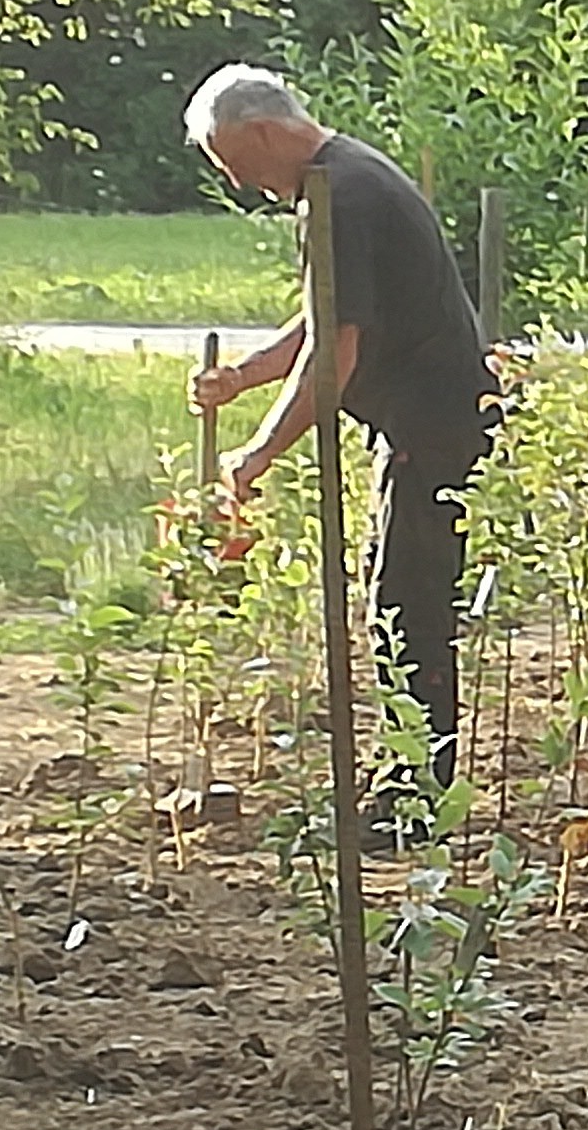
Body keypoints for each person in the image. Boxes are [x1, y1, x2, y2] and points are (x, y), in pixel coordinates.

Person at [183, 66, 498, 804]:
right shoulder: (346, 175)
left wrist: (259, 453)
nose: (243, 183)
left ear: (263, 132)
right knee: (398, 605)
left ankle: (414, 798)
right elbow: (326, 315)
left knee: (406, 613)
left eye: (235, 162)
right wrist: (244, 376)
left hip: (433, 429)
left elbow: (336, 353)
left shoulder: (340, 197)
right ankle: (407, 782)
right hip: (427, 426)